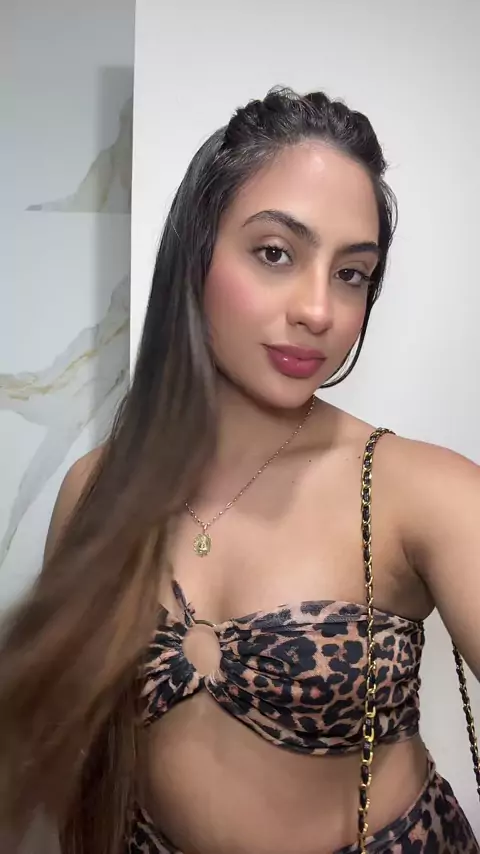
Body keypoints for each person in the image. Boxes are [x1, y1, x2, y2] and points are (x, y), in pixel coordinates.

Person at [0, 88, 479, 854]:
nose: (319, 310)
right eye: (276, 253)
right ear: (197, 253)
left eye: (353, 273)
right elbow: (68, 761)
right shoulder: (95, 491)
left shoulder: (419, 490)